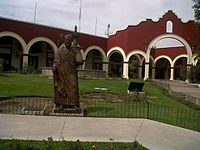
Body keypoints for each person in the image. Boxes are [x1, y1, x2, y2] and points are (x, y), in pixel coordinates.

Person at [53, 31, 83, 110]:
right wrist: (54, 66)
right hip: (61, 72)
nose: (68, 42)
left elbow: (80, 61)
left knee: (74, 87)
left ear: (71, 41)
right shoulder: (60, 50)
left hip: (71, 72)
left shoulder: (74, 50)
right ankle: (59, 104)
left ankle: (74, 104)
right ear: (64, 41)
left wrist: (78, 51)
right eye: (66, 41)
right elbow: (56, 61)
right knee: (60, 88)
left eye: (69, 41)